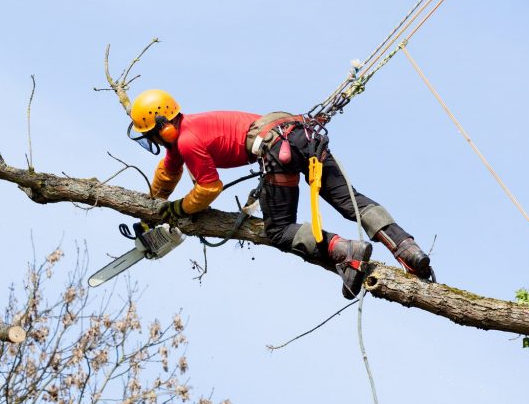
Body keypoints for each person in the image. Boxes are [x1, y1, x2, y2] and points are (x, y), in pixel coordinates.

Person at [128, 89, 432, 298]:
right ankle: (408, 249)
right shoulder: (188, 132)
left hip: (276, 150)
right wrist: (151, 210)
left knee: (279, 229)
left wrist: (177, 210)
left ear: (163, 126)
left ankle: (346, 251)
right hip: (300, 135)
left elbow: (208, 188)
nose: (155, 141)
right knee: (348, 200)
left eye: (152, 135)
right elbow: (167, 173)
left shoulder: (187, 140)